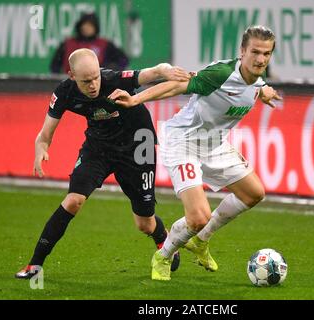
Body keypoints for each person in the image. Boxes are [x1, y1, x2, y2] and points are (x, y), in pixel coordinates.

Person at [110, 25, 282, 281]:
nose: (260, 59)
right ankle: (164, 255)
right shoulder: (221, 74)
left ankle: (201, 241)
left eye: (266, 54)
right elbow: (178, 85)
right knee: (199, 216)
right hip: (184, 143)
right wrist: (136, 100)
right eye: (255, 52)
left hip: (214, 145)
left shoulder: (257, 77)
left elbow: (257, 83)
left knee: (254, 193)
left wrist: (264, 90)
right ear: (242, 51)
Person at [15, 48, 191, 279]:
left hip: (138, 143)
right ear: (71, 76)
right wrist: (41, 150)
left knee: (144, 223)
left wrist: (170, 72)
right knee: (73, 201)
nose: (93, 85)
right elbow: (45, 134)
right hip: (99, 147)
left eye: (96, 77)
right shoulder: (64, 93)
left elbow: (154, 71)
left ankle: (161, 238)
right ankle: (34, 265)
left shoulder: (114, 79)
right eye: (86, 81)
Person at [50, 12, 129, 74]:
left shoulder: (105, 45)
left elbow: (123, 60)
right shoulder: (68, 44)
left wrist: (108, 71)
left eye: (90, 25)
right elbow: (55, 65)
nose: (86, 28)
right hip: (71, 84)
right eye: (84, 24)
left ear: (95, 27)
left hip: (97, 85)